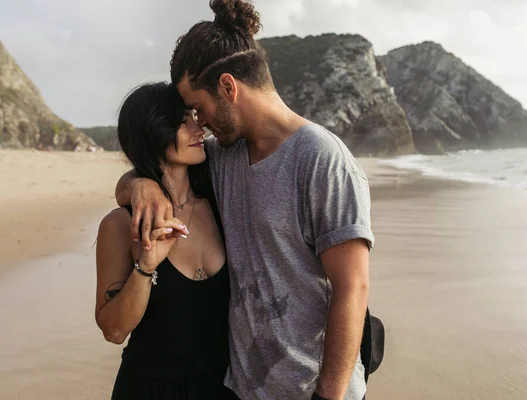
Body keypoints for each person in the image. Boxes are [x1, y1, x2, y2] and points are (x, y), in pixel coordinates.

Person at [116, 1, 374, 399]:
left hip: (308, 390)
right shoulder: (222, 154)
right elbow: (159, 170)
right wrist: (140, 185)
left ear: (228, 87)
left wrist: (330, 396)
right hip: (240, 387)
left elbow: (352, 288)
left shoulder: (322, 160)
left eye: (199, 109)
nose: (199, 123)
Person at [96, 82, 230, 399]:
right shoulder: (120, 225)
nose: (199, 127)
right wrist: (146, 266)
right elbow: (114, 331)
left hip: (222, 386)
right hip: (148, 388)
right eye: (183, 121)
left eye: (195, 116)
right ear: (153, 132)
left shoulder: (223, 204)